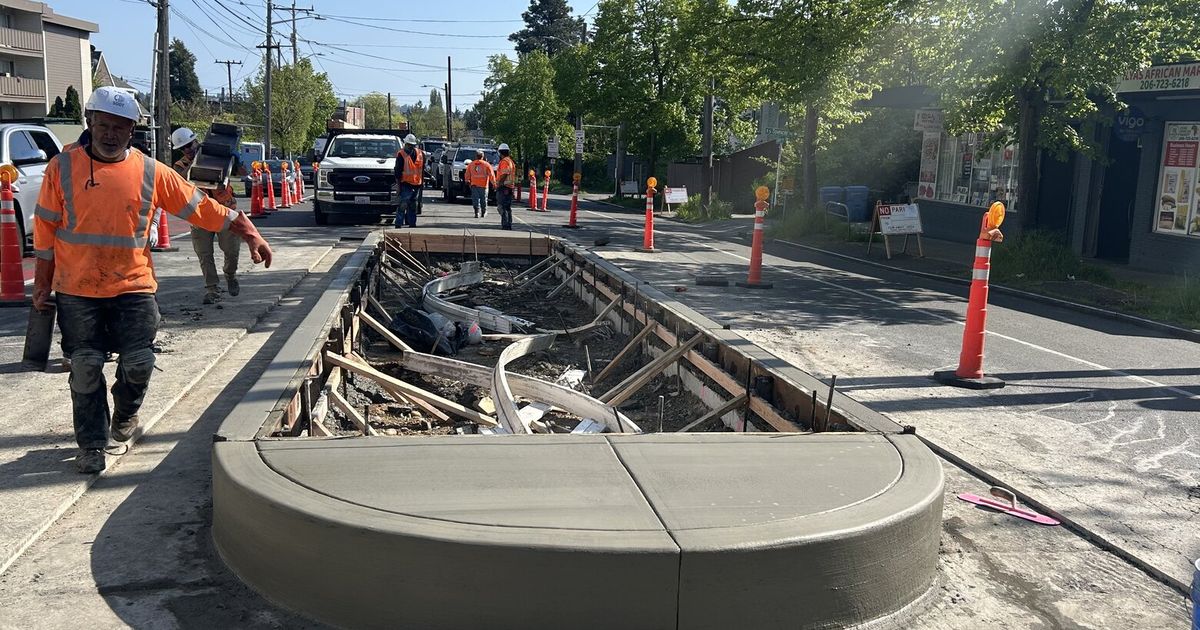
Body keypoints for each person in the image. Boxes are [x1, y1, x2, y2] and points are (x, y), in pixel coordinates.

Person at [32, 86, 273, 474]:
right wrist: (42, 284)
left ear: (132, 131)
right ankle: (91, 444)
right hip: (77, 288)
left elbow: (200, 206)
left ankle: (124, 416)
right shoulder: (61, 168)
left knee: (140, 363)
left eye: (120, 127)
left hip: (133, 286)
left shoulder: (149, 171)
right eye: (104, 124)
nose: (111, 133)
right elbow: (45, 230)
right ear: (90, 123)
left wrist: (247, 229)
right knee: (86, 366)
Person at [171, 127, 246, 304]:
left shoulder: (217, 156)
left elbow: (243, 173)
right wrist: (195, 162)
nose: (188, 149)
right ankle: (212, 289)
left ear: (196, 141)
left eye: (190, 144)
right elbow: (181, 182)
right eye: (184, 148)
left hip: (224, 210)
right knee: (204, 254)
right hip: (199, 215)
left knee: (231, 250)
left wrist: (236, 160)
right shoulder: (180, 166)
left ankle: (230, 274)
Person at [393, 134, 424, 228]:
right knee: (403, 205)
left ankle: (412, 224)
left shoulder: (420, 154)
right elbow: (397, 171)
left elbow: (422, 169)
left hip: (417, 184)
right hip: (406, 184)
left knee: (413, 206)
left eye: (411, 145)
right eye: (408, 145)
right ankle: (398, 224)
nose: (410, 147)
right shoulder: (401, 154)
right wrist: (398, 186)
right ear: (405, 144)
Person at [465, 149, 496, 219]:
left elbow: (467, 174)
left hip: (474, 185)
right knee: (484, 199)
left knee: (475, 199)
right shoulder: (487, 165)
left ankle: (476, 212)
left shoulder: (471, 164)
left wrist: (467, 181)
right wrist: (494, 184)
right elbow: (491, 175)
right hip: (484, 185)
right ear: (483, 156)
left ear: (476, 156)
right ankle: (483, 212)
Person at [495, 143, 516, 230]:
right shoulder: (510, 161)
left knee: (502, 206)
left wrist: (499, 184)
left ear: (501, 153)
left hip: (504, 187)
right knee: (507, 207)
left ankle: (506, 224)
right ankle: (508, 224)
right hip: (509, 187)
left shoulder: (504, 162)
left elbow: (504, 174)